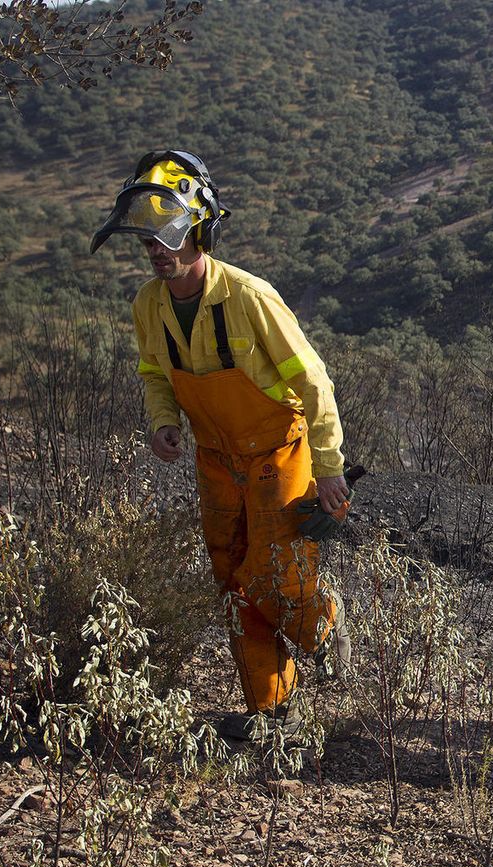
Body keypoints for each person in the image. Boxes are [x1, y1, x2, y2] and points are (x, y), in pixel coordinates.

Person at [92, 150, 349, 738]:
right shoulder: (147, 306)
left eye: (169, 237)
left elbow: (313, 381)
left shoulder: (250, 297)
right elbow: (155, 374)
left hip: (279, 451)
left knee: (277, 573)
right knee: (232, 579)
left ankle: (327, 632)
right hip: (215, 460)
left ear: (198, 232)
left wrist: (330, 467)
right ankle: (271, 709)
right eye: (149, 241)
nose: (158, 251)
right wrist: (164, 422)